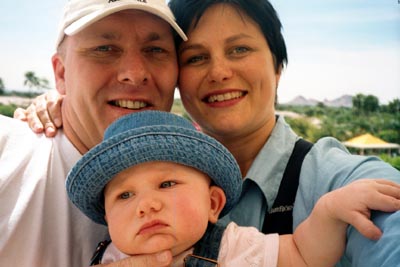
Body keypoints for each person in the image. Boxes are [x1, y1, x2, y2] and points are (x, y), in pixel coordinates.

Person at [15, 0, 400, 266]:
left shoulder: (336, 178)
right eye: (196, 57)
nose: (218, 72)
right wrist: (67, 100)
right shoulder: (119, 169)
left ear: (278, 66)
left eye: (240, 50)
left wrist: (332, 213)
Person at [66, 110, 400, 266]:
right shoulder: (107, 259)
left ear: (213, 204)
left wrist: (329, 212)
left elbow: (302, 253)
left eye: (166, 183)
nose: (146, 205)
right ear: (107, 217)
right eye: (125, 195)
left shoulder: (231, 247)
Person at [0, 0, 187, 266]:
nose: (135, 74)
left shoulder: (197, 176)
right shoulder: (6, 152)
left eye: (155, 49)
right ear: (61, 73)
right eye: (105, 49)